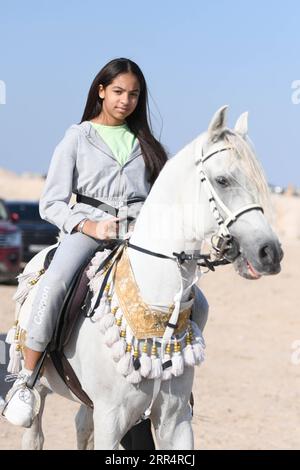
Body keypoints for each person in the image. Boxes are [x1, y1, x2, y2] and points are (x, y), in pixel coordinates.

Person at [3, 58, 168, 439]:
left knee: (193, 297)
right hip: (88, 230)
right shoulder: (77, 137)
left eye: (133, 94)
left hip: (137, 234)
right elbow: (52, 202)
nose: (125, 100)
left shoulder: (147, 144)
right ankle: (26, 380)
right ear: (100, 91)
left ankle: (176, 387)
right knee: (55, 281)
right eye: (118, 92)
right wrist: (88, 224)